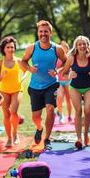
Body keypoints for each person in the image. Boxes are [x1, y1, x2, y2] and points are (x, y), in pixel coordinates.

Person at [21, 20, 67, 150]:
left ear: (50, 33)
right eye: (41, 31)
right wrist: (29, 68)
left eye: (46, 31)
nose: (43, 34)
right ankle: (40, 128)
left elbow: (65, 62)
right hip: (35, 87)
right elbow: (23, 61)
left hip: (51, 84)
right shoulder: (32, 47)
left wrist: (57, 71)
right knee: (36, 117)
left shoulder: (57, 48)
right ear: (38, 33)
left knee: (50, 109)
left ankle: (47, 138)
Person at [62, 36, 90, 149]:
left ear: (87, 45)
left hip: (89, 87)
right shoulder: (71, 58)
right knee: (78, 110)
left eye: (84, 44)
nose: (82, 46)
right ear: (76, 46)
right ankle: (79, 138)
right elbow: (64, 73)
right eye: (80, 44)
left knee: (88, 110)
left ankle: (86, 134)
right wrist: (69, 75)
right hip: (75, 87)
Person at [0, 36, 27, 147]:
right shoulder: (0, 63)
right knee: (6, 114)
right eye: (8, 47)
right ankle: (9, 138)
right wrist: (2, 76)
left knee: (13, 111)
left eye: (12, 47)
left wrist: (23, 78)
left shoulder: (18, 61)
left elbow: (26, 71)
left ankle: (15, 134)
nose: (11, 49)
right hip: (4, 90)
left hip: (17, 89)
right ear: (4, 49)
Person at [56, 41, 73, 123]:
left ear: (67, 48)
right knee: (59, 98)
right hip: (58, 81)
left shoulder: (69, 57)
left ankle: (69, 116)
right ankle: (61, 116)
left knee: (68, 100)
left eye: (64, 47)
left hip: (68, 80)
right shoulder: (56, 57)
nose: (63, 48)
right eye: (61, 47)